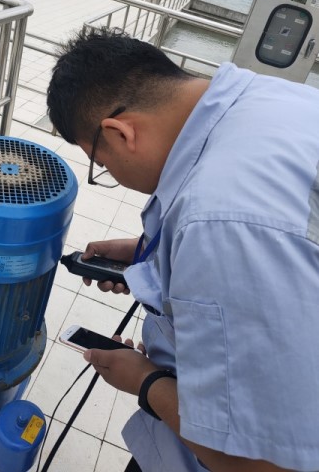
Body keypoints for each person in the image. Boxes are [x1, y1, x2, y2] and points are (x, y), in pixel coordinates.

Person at [46, 26, 319, 472]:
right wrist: (155, 254)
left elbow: (261, 462)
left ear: (120, 133)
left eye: (103, 164)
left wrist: (146, 382)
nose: (110, 172)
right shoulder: (269, 97)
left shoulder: (220, 226)